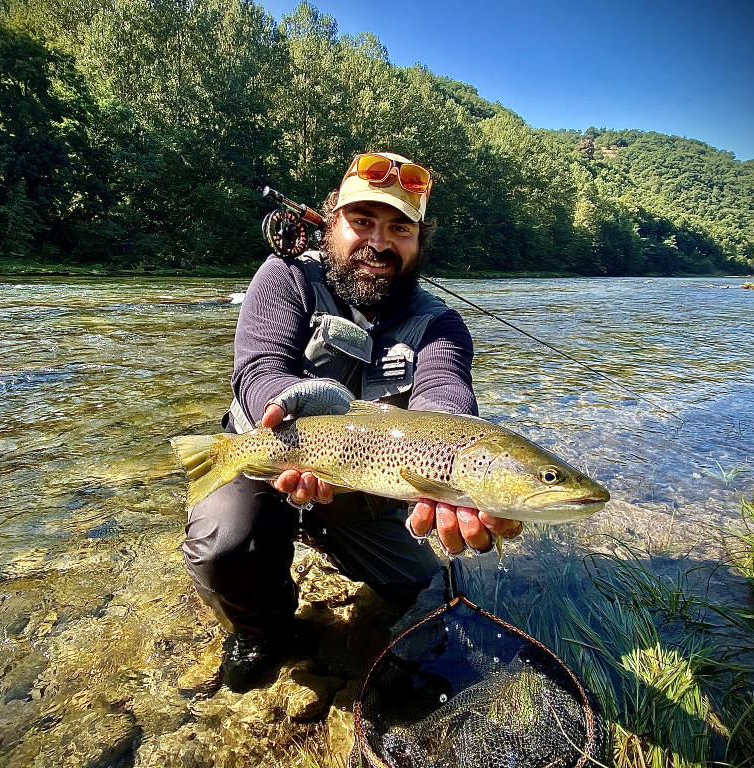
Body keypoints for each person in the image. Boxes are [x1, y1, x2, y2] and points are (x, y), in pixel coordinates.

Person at [182, 151, 523, 691]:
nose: (379, 242)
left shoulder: (441, 324)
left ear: (418, 240)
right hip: (271, 456)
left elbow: (445, 392)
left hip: (367, 479)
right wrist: (290, 405)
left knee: (420, 583)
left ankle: (339, 562)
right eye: (362, 222)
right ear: (331, 225)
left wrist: (454, 463)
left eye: (399, 228)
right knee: (223, 546)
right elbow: (258, 368)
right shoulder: (285, 277)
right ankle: (261, 631)